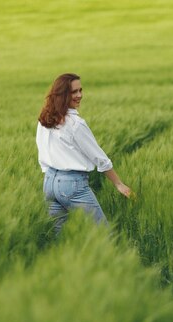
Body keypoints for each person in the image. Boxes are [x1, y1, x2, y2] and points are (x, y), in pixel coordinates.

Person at [36, 73, 135, 234]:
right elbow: (99, 157)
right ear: (62, 94)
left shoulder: (45, 119)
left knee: (60, 237)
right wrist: (118, 183)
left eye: (80, 90)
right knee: (104, 234)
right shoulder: (75, 124)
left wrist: (53, 178)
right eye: (73, 92)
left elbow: (42, 149)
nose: (79, 95)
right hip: (71, 184)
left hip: (49, 184)